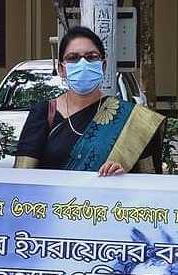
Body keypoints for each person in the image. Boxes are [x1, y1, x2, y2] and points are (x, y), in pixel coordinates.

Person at [14, 26, 164, 176]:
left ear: (103, 66)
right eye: (73, 58)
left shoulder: (132, 121)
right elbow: (22, 179)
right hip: (54, 200)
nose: (83, 63)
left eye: (91, 57)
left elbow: (149, 182)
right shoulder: (43, 114)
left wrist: (124, 175)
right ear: (61, 69)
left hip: (109, 199)